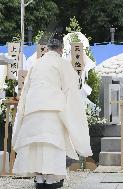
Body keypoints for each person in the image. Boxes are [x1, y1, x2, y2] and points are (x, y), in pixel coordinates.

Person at [12, 32, 92, 189]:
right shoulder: (62, 64)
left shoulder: (36, 64)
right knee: (52, 145)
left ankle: (39, 178)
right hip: (53, 110)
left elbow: (26, 91)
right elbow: (71, 90)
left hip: (32, 110)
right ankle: (51, 178)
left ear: (47, 48)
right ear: (61, 49)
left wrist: (22, 113)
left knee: (36, 144)